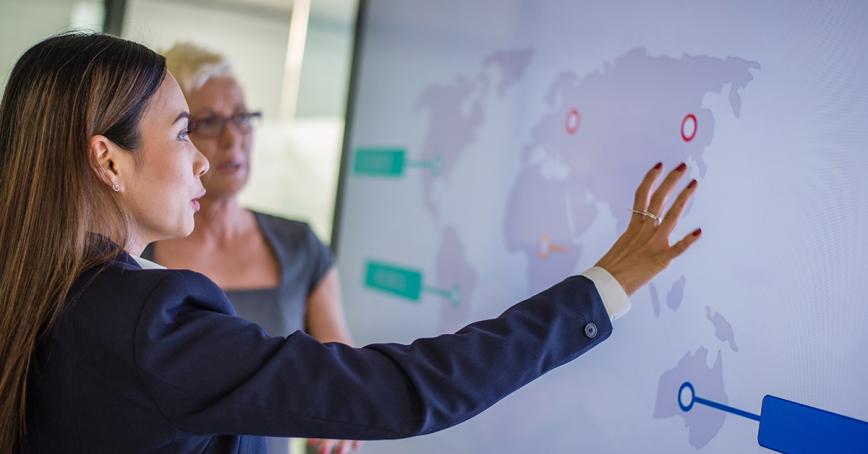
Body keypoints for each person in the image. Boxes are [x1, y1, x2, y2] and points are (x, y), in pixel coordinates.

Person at [0, 33, 701, 453]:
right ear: (108, 160)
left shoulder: (43, 290)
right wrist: (601, 290)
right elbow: (396, 391)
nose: (206, 159)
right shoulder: (145, 317)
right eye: (186, 132)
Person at [139, 42, 358, 454]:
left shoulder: (300, 245)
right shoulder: (138, 250)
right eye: (208, 122)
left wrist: (344, 413)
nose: (233, 138)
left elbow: (341, 369)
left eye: (242, 118)